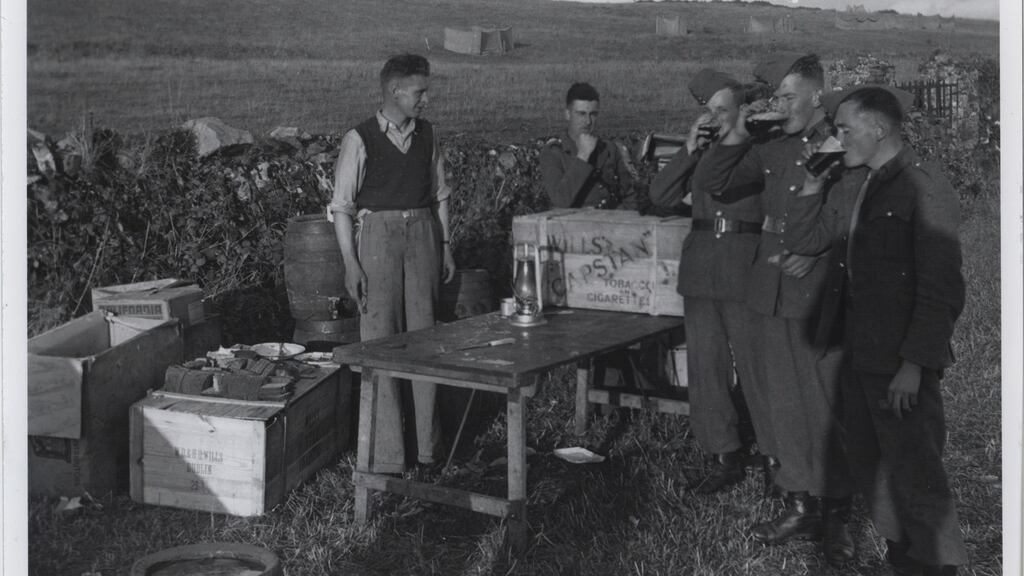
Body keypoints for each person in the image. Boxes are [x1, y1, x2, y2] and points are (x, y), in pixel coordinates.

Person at [786, 85, 968, 576]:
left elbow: (942, 288)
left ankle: (935, 567)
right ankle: (902, 562)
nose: (836, 137)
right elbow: (808, 241)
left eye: (845, 129)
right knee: (872, 467)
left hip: (898, 363)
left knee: (915, 474)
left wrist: (915, 365)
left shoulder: (924, 188)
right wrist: (809, 181)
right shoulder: (859, 183)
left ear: (879, 128)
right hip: (860, 356)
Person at [690, 53, 859, 567]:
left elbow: (857, 207)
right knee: (781, 400)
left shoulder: (838, 143)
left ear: (814, 96)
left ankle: (836, 514)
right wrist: (738, 129)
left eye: (788, 97)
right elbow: (716, 181)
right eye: (776, 97)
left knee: (823, 403)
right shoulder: (769, 147)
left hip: (817, 289)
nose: (780, 105)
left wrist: (820, 252)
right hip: (768, 286)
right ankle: (798, 501)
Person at [648, 69, 777, 495]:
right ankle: (723, 453)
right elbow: (661, 197)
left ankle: (779, 457)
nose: (715, 118)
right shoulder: (701, 152)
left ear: (742, 112)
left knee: (759, 366)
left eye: (723, 110)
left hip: (743, 263)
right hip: (702, 265)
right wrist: (687, 150)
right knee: (706, 369)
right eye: (709, 111)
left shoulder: (757, 150)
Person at [328, 53, 456, 475]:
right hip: (377, 242)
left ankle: (429, 452)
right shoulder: (359, 139)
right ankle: (386, 457)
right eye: (420, 91)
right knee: (379, 344)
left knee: (426, 343)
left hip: (423, 237)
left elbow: (439, 194)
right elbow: (343, 208)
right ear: (395, 90)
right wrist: (351, 263)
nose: (426, 99)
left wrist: (446, 245)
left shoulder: (429, 135)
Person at [539, 82, 636, 209]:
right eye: (581, 114)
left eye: (593, 114)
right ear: (568, 114)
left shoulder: (608, 149)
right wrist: (583, 156)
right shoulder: (554, 153)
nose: (588, 122)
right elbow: (560, 199)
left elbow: (630, 195)